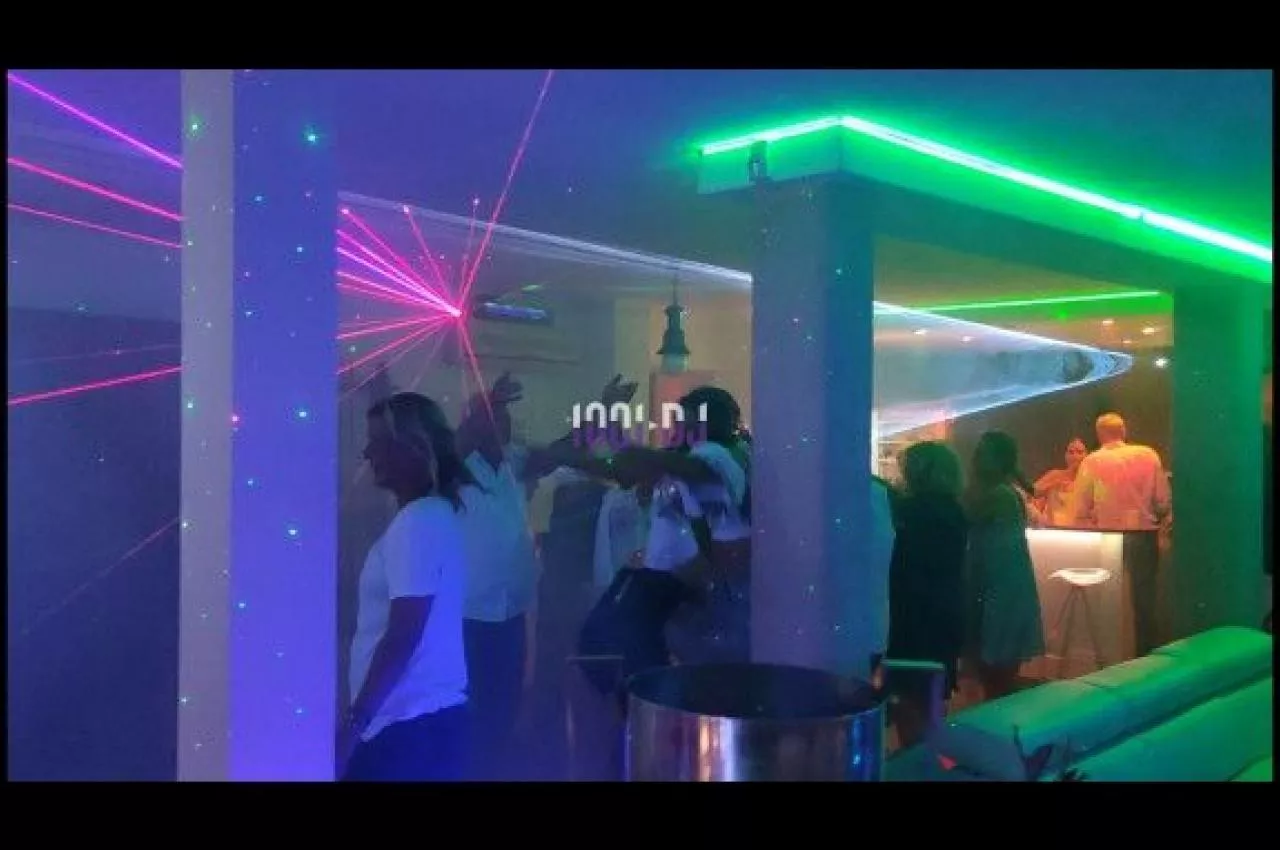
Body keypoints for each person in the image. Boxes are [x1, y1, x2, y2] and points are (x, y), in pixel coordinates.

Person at [454, 372, 635, 779]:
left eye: (504, 419)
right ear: (473, 424)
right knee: (469, 710)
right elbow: (451, 445)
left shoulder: (515, 462)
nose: (501, 426)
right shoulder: (457, 468)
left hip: (511, 613)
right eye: (491, 418)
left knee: (503, 706)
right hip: (468, 615)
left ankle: (493, 770)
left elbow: (565, 447)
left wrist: (605, 406)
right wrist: (488, 400)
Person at [339, 393, 473, 782]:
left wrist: (354, 725)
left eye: (378, 442)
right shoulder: (436, 514)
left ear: (414, 448)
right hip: (426, 723)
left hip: (404, 728)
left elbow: (403, 635)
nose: (367, 453)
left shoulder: (416, 522)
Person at [885, 441, 968, 748]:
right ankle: (927, 758)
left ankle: (915, 762)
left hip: (913, 612)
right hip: (945, 608)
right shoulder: (955, 510)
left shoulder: (912, 511)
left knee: (907, 697)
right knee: (931, 694)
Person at [1073, 412, 1172, 656]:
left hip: (1108, 537)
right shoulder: (1148, 455)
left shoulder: (1092, 461)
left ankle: (1110, 658)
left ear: (1099, 434)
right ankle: (1146, 657)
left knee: (1109, 601)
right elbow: (1163, 501)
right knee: (1144, 602)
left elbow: (1081, 508)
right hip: (1144, 537)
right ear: (1124, 431)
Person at [965, 431, 1046, 701]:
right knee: (999, 670)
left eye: (982, 452)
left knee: (995, 669)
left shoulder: (997, 495)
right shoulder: (1005, 492)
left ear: (997, 459)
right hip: (1006, 585)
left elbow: (967, 522)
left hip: (999, 588)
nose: (975, 456)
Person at [1033, 437, 1089, 527]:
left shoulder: (1090, 479)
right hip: (1054, 528)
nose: (1075, 456)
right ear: (1065, 456)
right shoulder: (1055, 475)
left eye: (1079, 452)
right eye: (1071, 452)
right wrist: (1052, 485)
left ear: (1087, 455)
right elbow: (1031, 493)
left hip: (1080, 529)